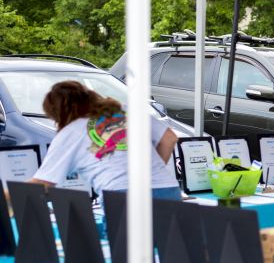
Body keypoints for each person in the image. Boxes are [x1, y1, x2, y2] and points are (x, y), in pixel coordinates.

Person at [30, 80, 182, 201]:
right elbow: (169, 138)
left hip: (121, 194)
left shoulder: (70, 133)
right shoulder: (125, 110)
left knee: (123, 240)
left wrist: (7, 195)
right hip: (168, 189)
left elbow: (43, 183)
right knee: (168, 240)